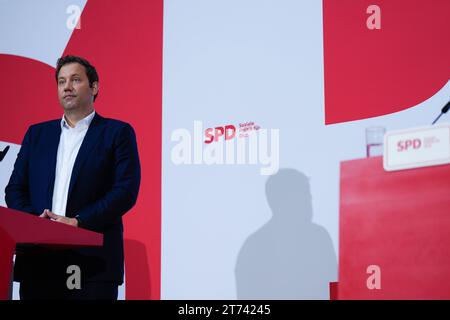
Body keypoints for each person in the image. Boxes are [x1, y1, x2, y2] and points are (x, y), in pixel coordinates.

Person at [5, 55, 141, 300]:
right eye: (61, 81)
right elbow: (14, 189)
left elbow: (125, 190)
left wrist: (78, 222)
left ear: (94, 87)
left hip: (91, 263)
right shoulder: (37, 134)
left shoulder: (117, 133)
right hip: (38, 261)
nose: (67, 87)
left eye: (75, 80)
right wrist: (35, 224)